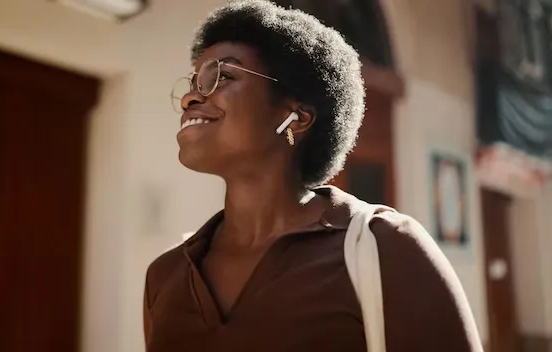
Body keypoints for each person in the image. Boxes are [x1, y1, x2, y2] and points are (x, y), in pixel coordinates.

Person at [144, 0, 483, 351]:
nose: (189, 98)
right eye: (196, 82)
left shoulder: (389, 251)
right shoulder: (165, 276)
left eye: (223, 76)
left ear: (297, 117)